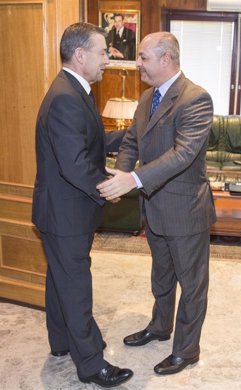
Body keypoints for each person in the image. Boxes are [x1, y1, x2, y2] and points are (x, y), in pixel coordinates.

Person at [97, 31, 216, 376]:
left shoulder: (196, 98)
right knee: (161, 276)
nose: (138, 64)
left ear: (166, 58)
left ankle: (187, 350)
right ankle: (160, 327)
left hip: (185, 210)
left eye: (144, 57)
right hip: (155, 207)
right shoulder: (147, 96)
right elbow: (132, 142)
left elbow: (182, 155)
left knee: (192, 284)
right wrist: (119, 178)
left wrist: (133, 179)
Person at [32, 22, 133, 387]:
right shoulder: (64, 97)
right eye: (103, 52)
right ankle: (91, 365)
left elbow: (89, 139)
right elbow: (75, 164)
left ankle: (60, 342)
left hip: (61, 211)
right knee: (76, 287)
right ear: (80, 55)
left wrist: (130, 135)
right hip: (65, 213)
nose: (107, 59)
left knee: (60, 277)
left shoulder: (75, 91)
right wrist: (107, 188)